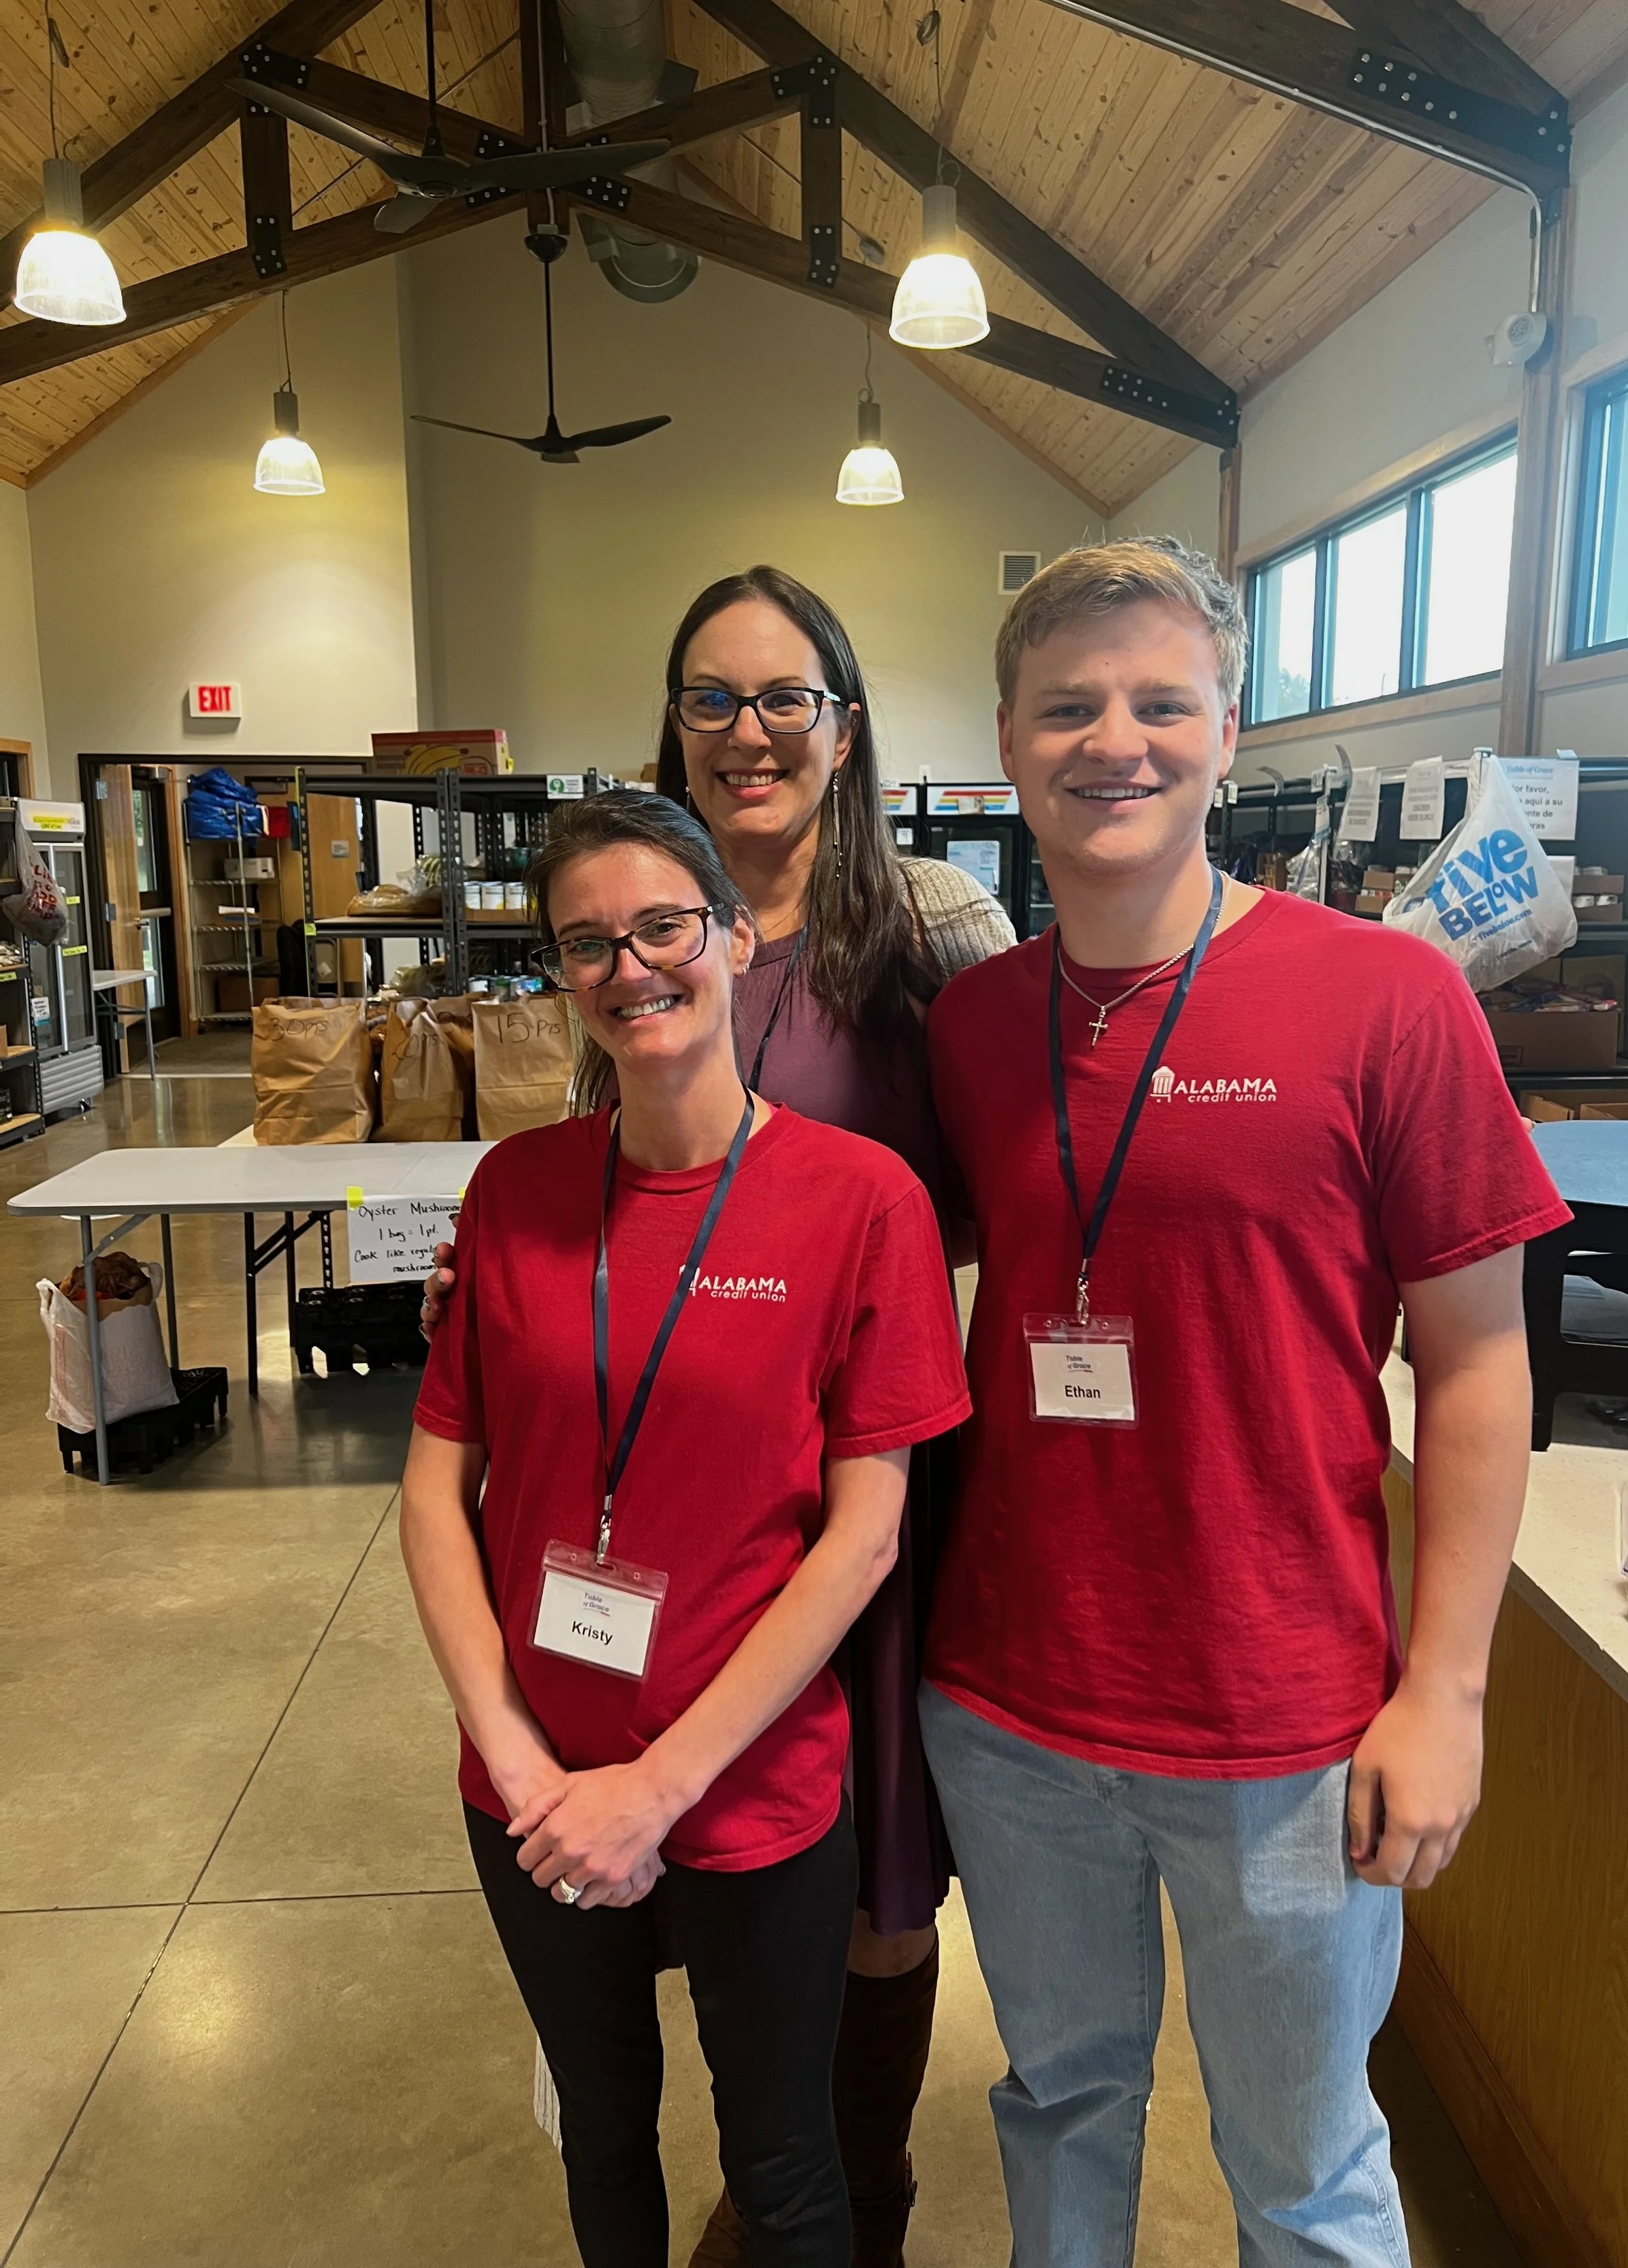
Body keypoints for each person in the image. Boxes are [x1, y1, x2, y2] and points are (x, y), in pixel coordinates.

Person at [917, 539, 1571, 2267]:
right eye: (1066, 706)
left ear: (1226, 731)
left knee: (1300, 2163)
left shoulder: (1385, 1000)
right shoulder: (975, 1026)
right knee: (1055, 2105)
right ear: (1007, 739)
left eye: (1156, 702)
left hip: (1282, 1716)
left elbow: (1478, 1355)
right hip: (1007, 1701)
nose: (1109, 741)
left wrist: (1444, 1686)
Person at [423, 565, 1013, 2267]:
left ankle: (840, 2197)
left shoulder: (927, 924)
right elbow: (577, 1186)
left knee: (875, 1871)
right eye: (710, 699)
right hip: (660, 1469)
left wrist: (864, 1294)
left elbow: (1011, 1179)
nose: (747, 732)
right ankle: (770, 2174)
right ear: (671, 727)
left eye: (784, 697)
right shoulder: (633, 919)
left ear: (841, 720)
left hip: (856, 1459)